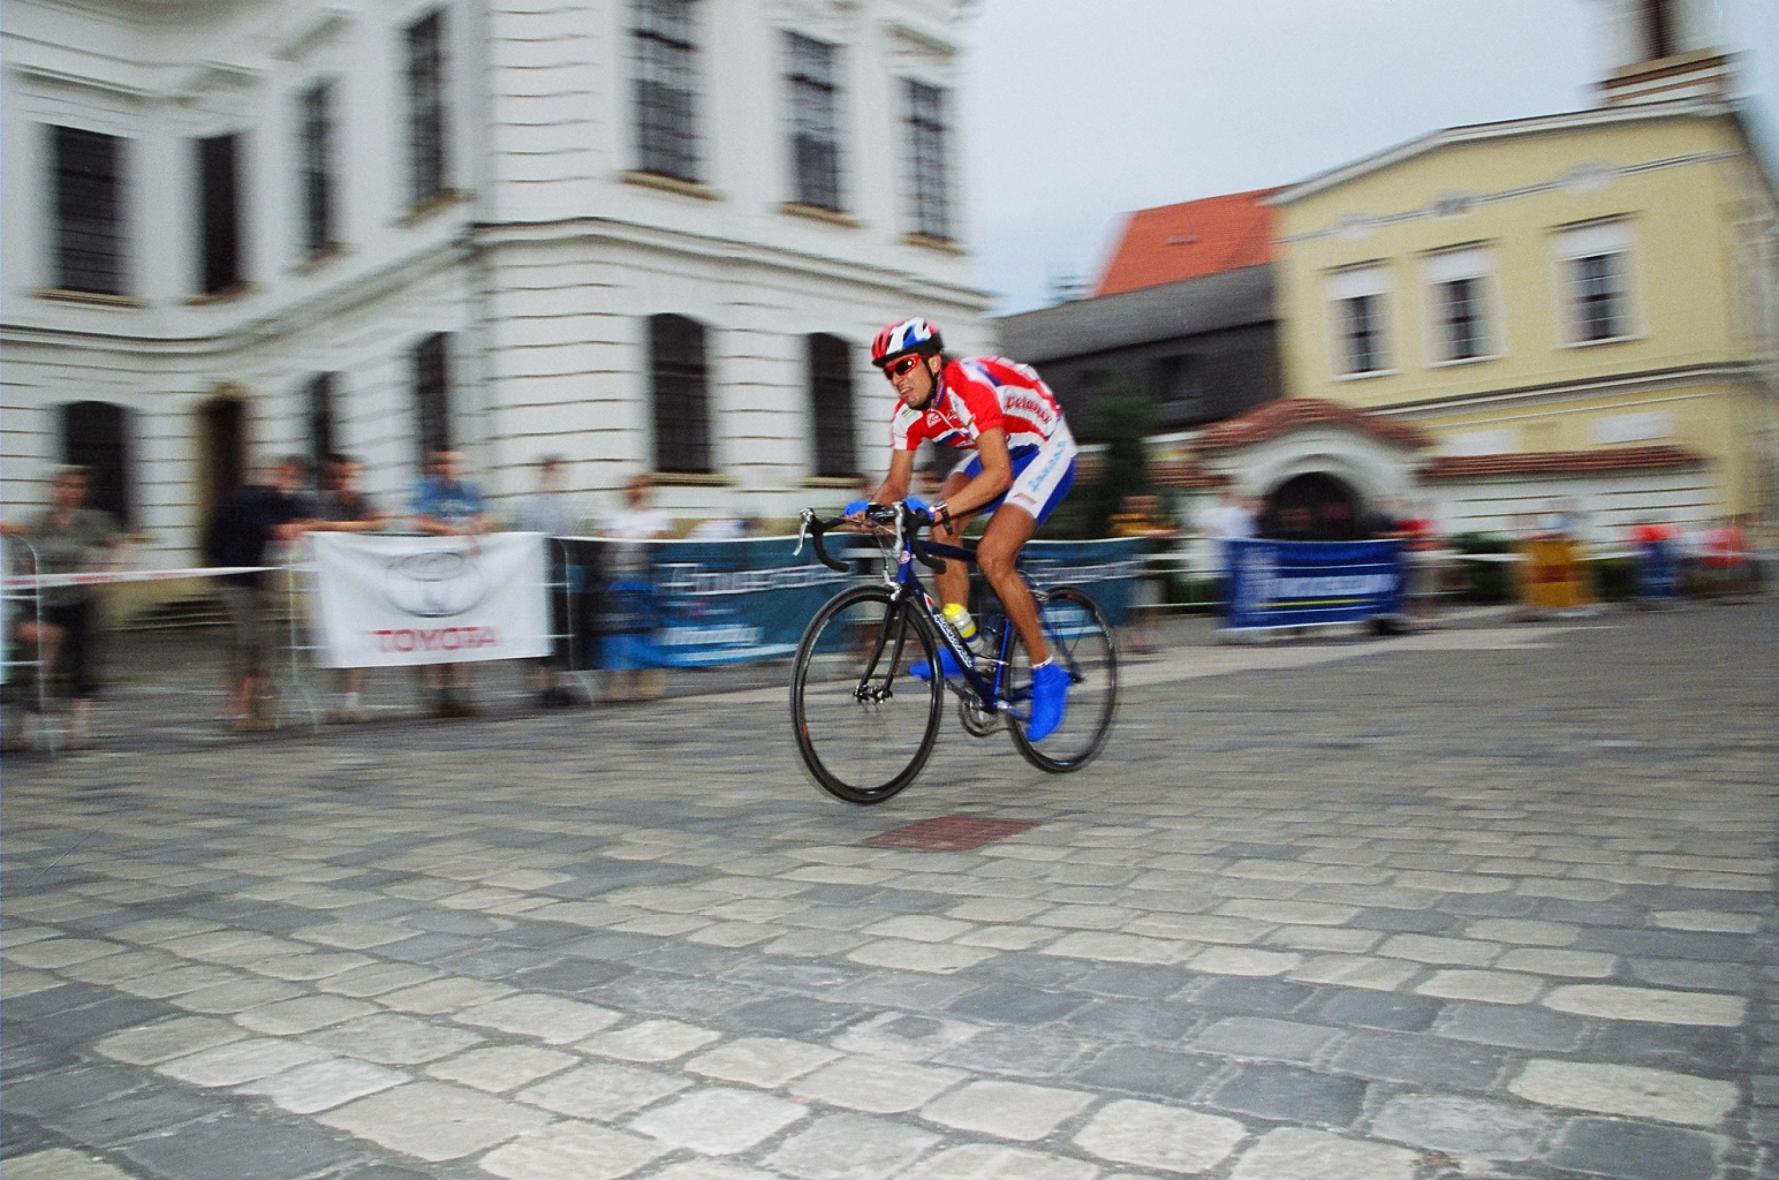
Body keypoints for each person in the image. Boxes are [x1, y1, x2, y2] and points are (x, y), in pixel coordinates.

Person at [848, 317, 1077, 742]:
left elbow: (998, 476)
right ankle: (963, 640)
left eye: (904, 365)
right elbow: (896, 484)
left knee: (992, 556)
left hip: (1046, 447)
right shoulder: (907, 415)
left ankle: (1048, 675)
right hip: (1005, 444)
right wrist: (864, 513)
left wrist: (935, 511)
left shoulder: (969, 387)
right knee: (941, 529)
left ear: (934, 362)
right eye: (888, 371)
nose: (895, 378)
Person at [1, 466, 128, 750]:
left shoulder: (94, 521)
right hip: (45, 603)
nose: (70, 492)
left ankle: (78, 730)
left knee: (82, 664)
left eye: (76, 487)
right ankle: (26, 730)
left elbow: (122, 544)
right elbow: (17, 536)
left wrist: (111, 572)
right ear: (54, 489)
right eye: (65, 486)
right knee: (38, 664)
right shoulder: (41, 520)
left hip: (80, 601)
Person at [203, 456, 313, 731]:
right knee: (247, 640)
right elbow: (278, 530)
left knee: (261, 643)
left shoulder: (284, 501)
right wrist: (294, 527)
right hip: (233, 579)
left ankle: (258, 707)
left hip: (259, 579)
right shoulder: (248, 499)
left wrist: (302, 524)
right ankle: (239, 710)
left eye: (294, 478)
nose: (288, 483)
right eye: (284, 476)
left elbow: (304, 518)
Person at [410, 449, 497, 717]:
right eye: (443, 463)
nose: (448, 467)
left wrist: (479, 525)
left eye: (453, 462)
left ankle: (464, 689)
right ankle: (438, 693)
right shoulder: (425, 490)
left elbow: (490, 516)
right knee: (433, 629)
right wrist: (457, 531)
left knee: (463, 629)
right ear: (435, 467)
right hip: (433, 568)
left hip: (464, 570)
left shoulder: (471, 490)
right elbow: (420, 521)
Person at [310, 454, 386, 722]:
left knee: (359, 637)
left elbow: (378, 522)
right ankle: (341, 699)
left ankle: (352, 699)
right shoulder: (322, 500)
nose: (344, 482)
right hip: (331, 580)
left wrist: (334, 527)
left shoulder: (363, 500)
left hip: (359, 579)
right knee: (337, 639)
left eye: (348, 477)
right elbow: (312, 526)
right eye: (338, 477)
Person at [512, 455, 588, 707]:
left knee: (564, 632)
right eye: (551, 472)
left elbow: (576, 536)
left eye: (558, 473)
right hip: (539, 577)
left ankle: (563, 683)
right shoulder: (529, 506)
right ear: (543, 473)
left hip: (563, 576)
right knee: (542, 633)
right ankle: (543, 685)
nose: (555, 477)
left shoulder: (568, 506)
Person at [600, 474, 672, 702]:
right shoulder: (617, 517)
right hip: (620, 578)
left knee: (647, 631)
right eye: (633, 487)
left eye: (641, 487)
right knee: (620, 631)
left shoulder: (659, 516)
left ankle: (649, 684)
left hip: (647, 580)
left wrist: (633, 539)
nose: (637, 491)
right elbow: (608, 540)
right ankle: (617, 685)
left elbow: (660, 538)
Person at [1107, 492, 1177, 654]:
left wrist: (1153, 534)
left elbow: (1171, 532)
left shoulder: (1155, 520)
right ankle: (1135, 640)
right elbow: (1124, 533)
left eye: (1150, 504)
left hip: (1151, 571)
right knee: (1135, 608)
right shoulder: (1121, 520)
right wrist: (1151, 534)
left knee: (1151, 607)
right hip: (1129, 572)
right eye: (1142, 503)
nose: (1147, 507)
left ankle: (1143, 638)